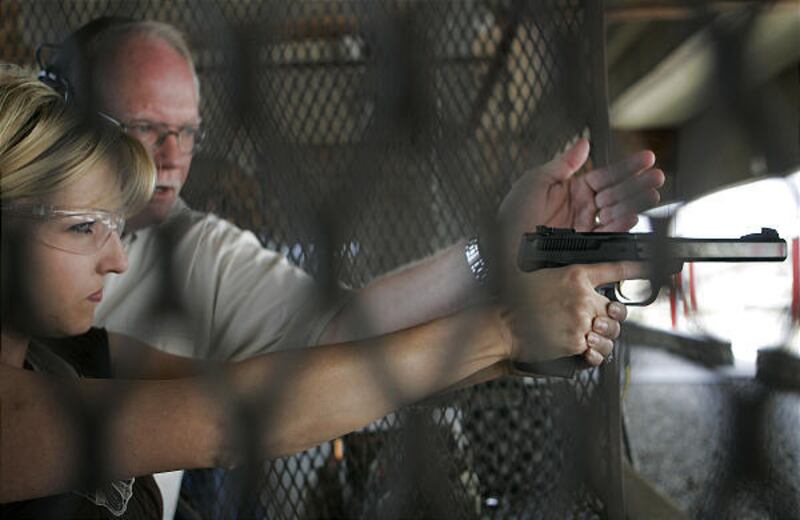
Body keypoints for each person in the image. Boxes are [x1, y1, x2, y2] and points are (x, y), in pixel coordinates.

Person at [0, 68, 643, 517]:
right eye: (85, 228)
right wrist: (504, 330)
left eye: (185, 129)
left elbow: (294, 381)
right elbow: (236, 425)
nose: (115, 259)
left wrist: (514, 343)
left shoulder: (85, 351)